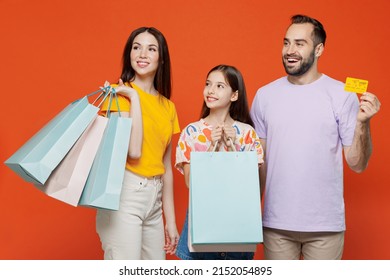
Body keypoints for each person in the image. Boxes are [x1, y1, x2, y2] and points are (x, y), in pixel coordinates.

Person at [250, 15, 381, 260]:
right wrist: (247, 214)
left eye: (300, 44)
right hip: (276, 224)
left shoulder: (342, 94)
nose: (290, 50)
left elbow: (357, 164)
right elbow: (260, 163)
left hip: (325, 226)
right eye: (286, 42)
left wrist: (363, 124)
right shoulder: (265, 96)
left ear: (318, 49)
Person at [96, 27, 180, 260]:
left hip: (154, 198)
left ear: (161, 58)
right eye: (136, 47)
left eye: (151, 49)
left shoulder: (167, 106)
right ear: (129, 54)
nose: (142, 54)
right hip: (125, 194)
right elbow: (132, 152)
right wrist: (133, 97)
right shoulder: (117, 95)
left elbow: (166, 167)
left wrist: (170, 221)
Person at [175, 64, 264, 260]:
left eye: (219, 86)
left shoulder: (247, 133)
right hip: (201, 224)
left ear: (234, 95)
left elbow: (249, 184)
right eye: (208, 84)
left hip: (237, 225)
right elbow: (190, 182)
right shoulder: (192, 132)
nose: (211, 90)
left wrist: (235, 145)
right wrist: (210, 146)